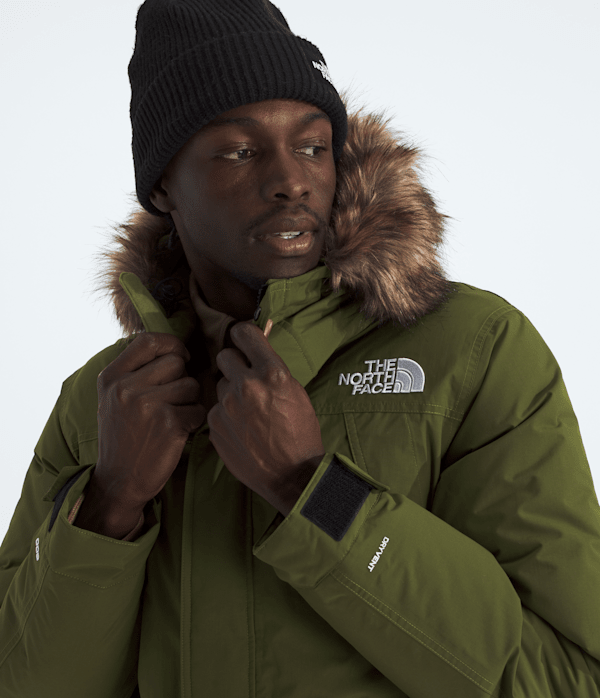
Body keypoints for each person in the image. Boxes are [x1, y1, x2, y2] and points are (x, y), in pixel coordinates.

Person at [1, 0, 599, 695]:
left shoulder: (473, 349)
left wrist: (313, 491)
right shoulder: (102, 402)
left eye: (313, 146)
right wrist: (108, 506)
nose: (292, 180)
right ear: (163, 183)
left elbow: (568, 680)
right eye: (241, 151)